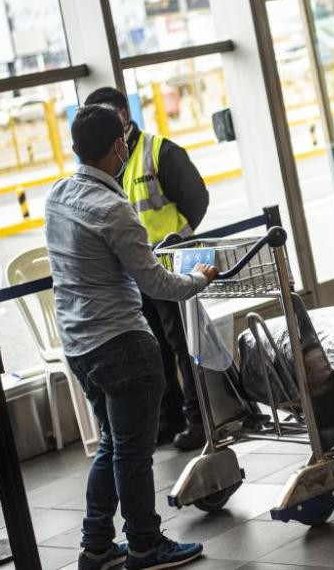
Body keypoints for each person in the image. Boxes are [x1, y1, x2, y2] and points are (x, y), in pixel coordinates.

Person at [45, 104, 216, 570]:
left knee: (112, 445)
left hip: (80, 347)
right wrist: (199, 278)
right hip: (122, 345)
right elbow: (156, 285)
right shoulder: (113, 209)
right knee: (134, 454)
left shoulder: (58, 195)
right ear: (119, 146)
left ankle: (96, 544)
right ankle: (144, 544)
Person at [83, 87, 210, 451]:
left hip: (169, 267)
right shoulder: (107, 163)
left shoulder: (158, 151)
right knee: (153, 349)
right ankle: (169, 419)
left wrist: (175, 243)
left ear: (124, 114)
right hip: (135, 274)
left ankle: (198, 420)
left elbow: (196, 200)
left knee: (182, 345)